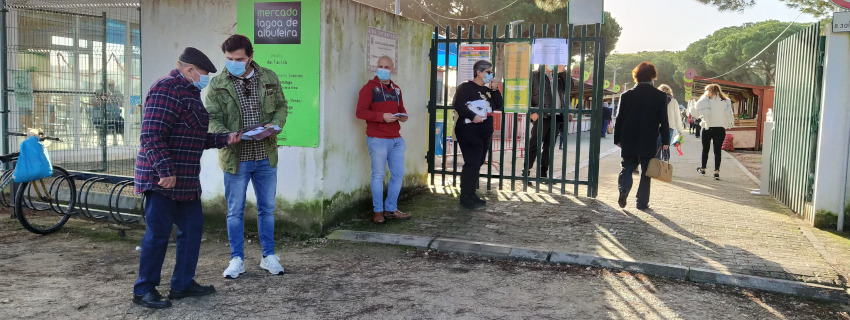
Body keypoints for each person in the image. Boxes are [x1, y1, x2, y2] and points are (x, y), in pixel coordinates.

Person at [133, 47, 240, 309]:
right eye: (204, 74)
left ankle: (182, 284)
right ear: (190, 70)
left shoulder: (190, 93)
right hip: (163, 179)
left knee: (192, 230)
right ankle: (144, 290)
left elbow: (193, 136)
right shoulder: (166, 88)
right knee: (158, 235)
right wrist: (165, 170)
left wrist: (225, 139)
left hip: (186, 179)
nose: (205, 79)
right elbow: (151, 135)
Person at [205, 34, 288, 279]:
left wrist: (276, 124)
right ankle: (236, 259)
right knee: (234, 211)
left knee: (267, 209)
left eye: (239, 59)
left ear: (250, 57)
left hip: (265, 154)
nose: (233, 63)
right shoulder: (218, 83)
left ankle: (268, 256)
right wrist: (228, 135)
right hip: (235, 157)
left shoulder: (269, 77)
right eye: (229, 59)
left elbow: (282, 105)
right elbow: (211, 118)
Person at [355, 55, 412, 224]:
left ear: (392, 70)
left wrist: (403, 117)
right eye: (380, 66)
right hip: (377, 138)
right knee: (378, 175)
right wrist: (382, 117)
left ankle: (391, 209)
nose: (383, 69)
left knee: (398, 174)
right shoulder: (368, 88)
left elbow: (401, 109)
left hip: (396, 139)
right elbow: (360, 112)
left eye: (386, 67)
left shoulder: (396, 89)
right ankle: (378, 211)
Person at [613, 62, 670, 210]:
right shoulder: (660, 96)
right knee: (646, 171)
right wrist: (665, 141)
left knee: (627, 166)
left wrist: (617, 138)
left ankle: (623, 190)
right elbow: (664, 120)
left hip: (628, 138)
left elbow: (619, 118)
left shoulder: (626, 95)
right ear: (652, 77)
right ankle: (642, 202)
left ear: (636, 77)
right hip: (649, 139)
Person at [452, 60, 503, 209]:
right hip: (468, 131)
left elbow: (498, 105)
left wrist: (494, 90)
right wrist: (472, 116)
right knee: (472, 163)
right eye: (488, 72)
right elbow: (458, 105)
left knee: (478, 163)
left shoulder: (488, 90)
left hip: (484, 132)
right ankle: (465, 196)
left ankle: (471, 193)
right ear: (478, 72)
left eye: (491, 72)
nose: (490, 75)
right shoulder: (466, 87)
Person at [525, 65, 567, 179]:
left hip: (556, 116)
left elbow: (570, 87)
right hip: (541, 115)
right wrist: (531, 112)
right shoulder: (534, 75)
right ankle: (526, 172)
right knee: (534, 144)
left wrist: (563, 71)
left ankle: (543, 173)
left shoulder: (558, 76)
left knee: (549, 147)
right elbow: (526, 94)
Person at [693, 84, 735, 180]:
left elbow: (696, 113)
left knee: (705, 149)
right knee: (717, 151)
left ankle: (703, 168)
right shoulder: (726, 101)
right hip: (720, 129)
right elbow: (729, 115)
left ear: (708, 90)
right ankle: (716, 172)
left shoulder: (704, 100)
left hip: (708, 127)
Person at [656, 84, 684, 161]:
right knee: (666, 145)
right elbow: (677, 116)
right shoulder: (674, 101)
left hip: (657, 126)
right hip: (670, 126)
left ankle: (657, 163)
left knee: (658, 146)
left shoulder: (656, 100)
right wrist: (680, 130)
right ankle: (666, 162)